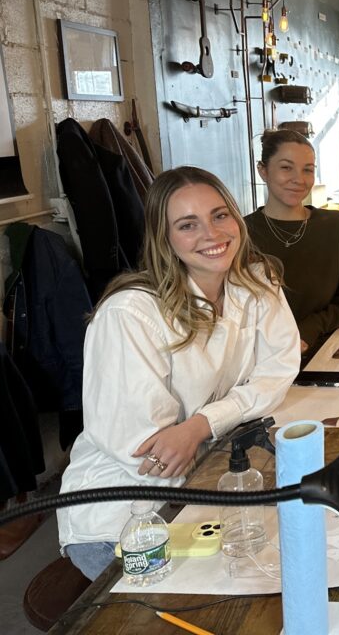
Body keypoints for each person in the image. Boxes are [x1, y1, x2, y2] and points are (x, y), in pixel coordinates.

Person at [57, 167, 301, 580]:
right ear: (163, 238)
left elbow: (279, 369)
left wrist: (200, 425)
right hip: (126, 517)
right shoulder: (130, 313)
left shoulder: (257, 282)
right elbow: (150, 453)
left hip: (205, 484)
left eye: (219, 215)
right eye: (188, 225)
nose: (211, 233)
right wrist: (211, 427)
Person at [245, 129, 339, 359]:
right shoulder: (239, 234)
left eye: (307, 170)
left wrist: (309, 329)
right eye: (285, 167)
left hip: (327, 354)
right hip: (260, 362)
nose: (299, 179)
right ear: (263, 171)